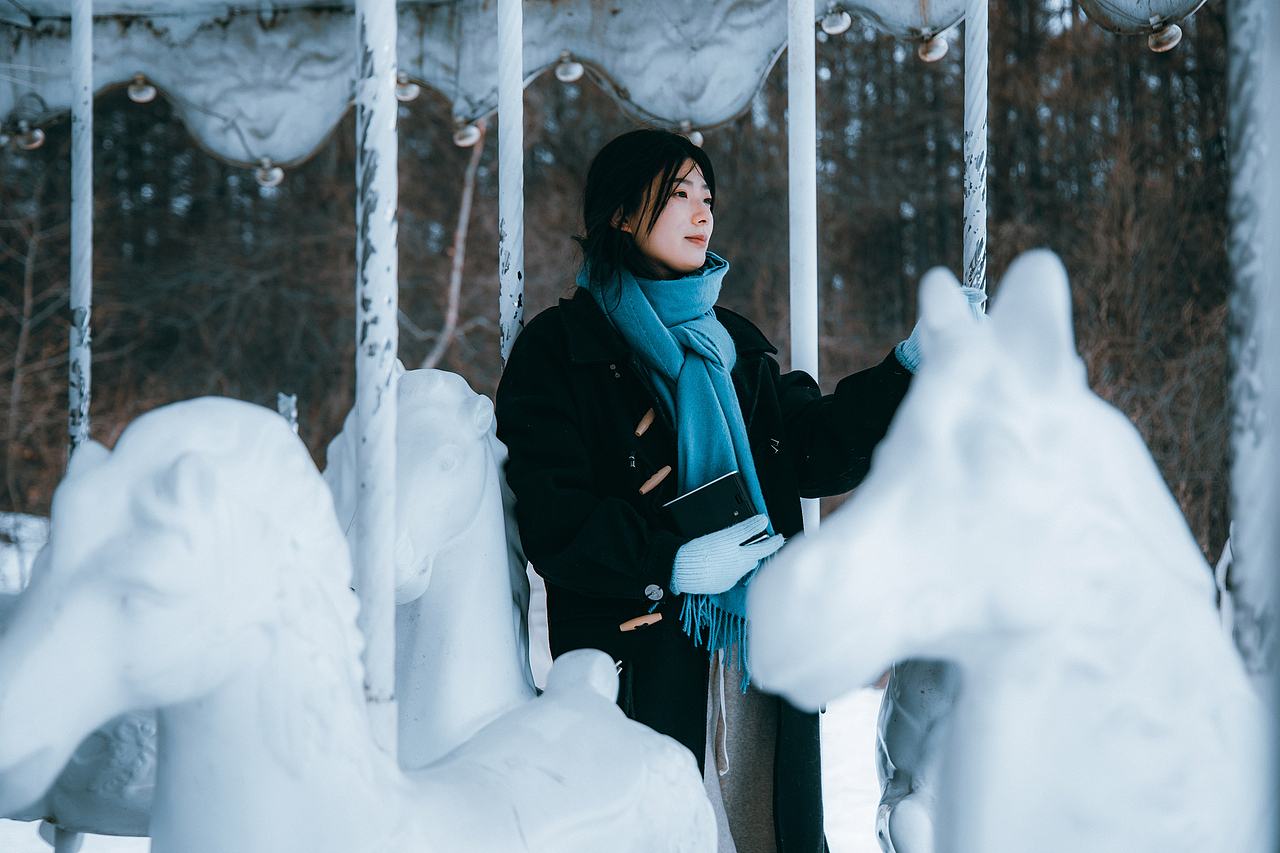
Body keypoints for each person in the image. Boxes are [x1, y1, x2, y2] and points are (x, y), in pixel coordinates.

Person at [495, 128, 945, 853]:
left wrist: (909, 368)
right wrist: (670, 562)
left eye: (707, 195)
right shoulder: (562, 349)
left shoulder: (734, 344)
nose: (702, 212)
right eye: (679, 195)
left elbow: (814, 448)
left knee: (767, 834)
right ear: (620, 212)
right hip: (643, 663)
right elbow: (553, 514)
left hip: (755, 659)